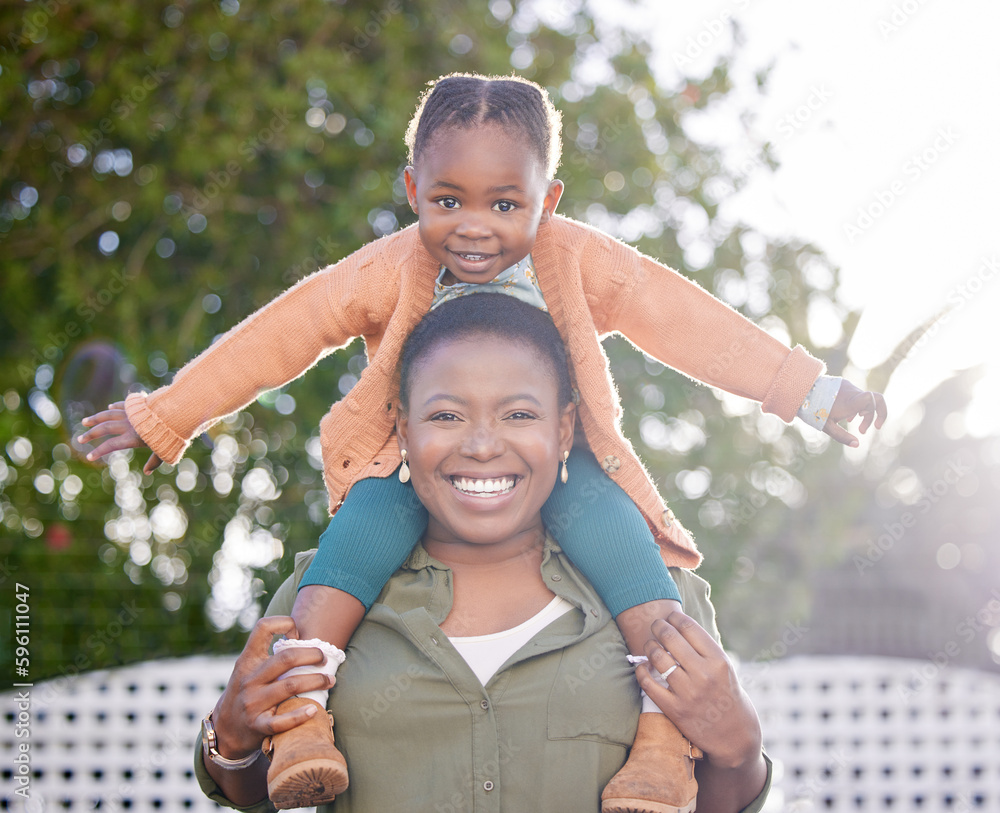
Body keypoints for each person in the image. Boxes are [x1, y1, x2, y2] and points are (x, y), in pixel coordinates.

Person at [77, 73, 886, 811]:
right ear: (412, 191)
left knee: (631, 555)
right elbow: (287, 331)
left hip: (573, 474)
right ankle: (303, 724)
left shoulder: (574, 257)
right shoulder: (389, 269)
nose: (474, 229)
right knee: (352, 539)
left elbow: (683, 321)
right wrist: (171, 412)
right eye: (447, 202)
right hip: (400, 469)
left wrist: (808, 392)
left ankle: (662, 745)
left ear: (549, 196)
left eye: (506, 205)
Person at [195, 294, 771, 813]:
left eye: (519, 414)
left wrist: (739, 750)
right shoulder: (323, 594)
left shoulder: (662, 601)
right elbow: (259, 792)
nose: (482, 445)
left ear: (565, 428)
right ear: (401, 426)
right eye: (446, 415)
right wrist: (234, 737)